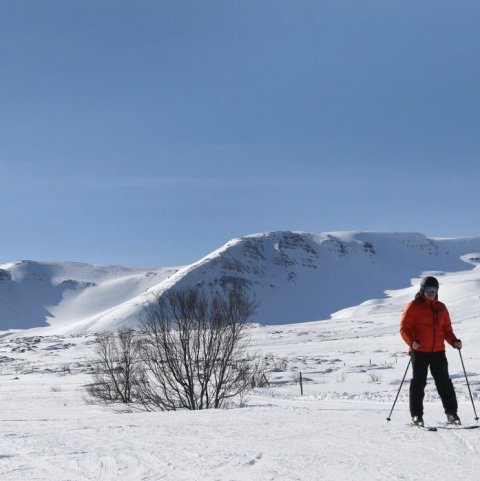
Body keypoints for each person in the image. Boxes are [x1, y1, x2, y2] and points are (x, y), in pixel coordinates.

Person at [400, 276, 463, 426]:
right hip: (419, 352)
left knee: (444, 384)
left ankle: (452, 414)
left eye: (434, 290)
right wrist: (412, 343)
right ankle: (416, 416)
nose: (431, 293)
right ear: (422, 290)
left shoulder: (441, 307)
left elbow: (447, 329)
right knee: (418, 384)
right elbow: (404, 328)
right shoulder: (413, 306)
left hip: (438, 352)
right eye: (429, 290)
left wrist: (454, 341)